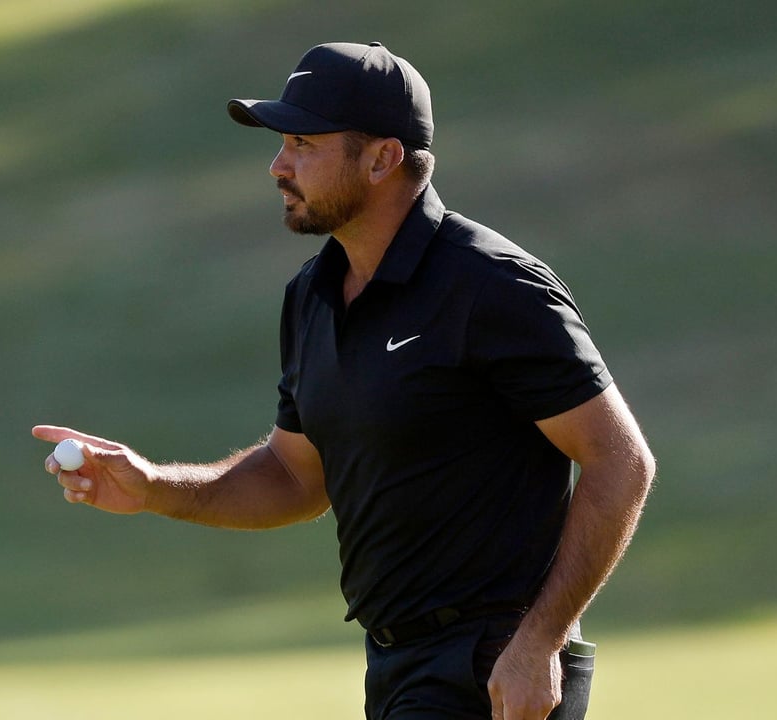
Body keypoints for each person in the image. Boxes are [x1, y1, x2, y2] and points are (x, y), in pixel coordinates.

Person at [34, 41, 655, 720]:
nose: (278, 165)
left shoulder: (491, 287)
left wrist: (540, 642)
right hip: (395, 668)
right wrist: (155, 486)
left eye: (303, 142)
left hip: (496, 664)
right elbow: (296, 477)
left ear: (383, 158)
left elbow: (619, 461)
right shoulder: (314, 295)